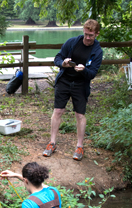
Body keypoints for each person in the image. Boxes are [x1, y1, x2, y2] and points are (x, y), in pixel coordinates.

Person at [43, 19, 103, 161]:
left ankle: (79, 146)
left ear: (97, 34)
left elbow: (92, 73)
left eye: (91, 35)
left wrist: (83, 70)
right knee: (58, 111)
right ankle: (52, 143)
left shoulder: (97, 51)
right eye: (86, 34)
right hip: (64, 81)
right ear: (83, 31)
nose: (87, 38)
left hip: (81, 84)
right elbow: (57, 58)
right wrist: (63, 63)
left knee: (80, 115)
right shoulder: (72, 42)